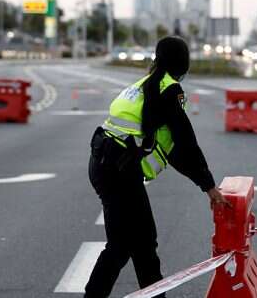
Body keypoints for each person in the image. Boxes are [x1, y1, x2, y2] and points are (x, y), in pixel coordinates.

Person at [85, 36, 230, 298]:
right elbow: (185, 143)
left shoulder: (144, 85)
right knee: (129, 246)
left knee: (138, 245)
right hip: (118, 171)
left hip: (105, 165)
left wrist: (204, 184)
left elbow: (171, 148)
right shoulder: (169, 90)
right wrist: (208, 186)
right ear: (183, 63)